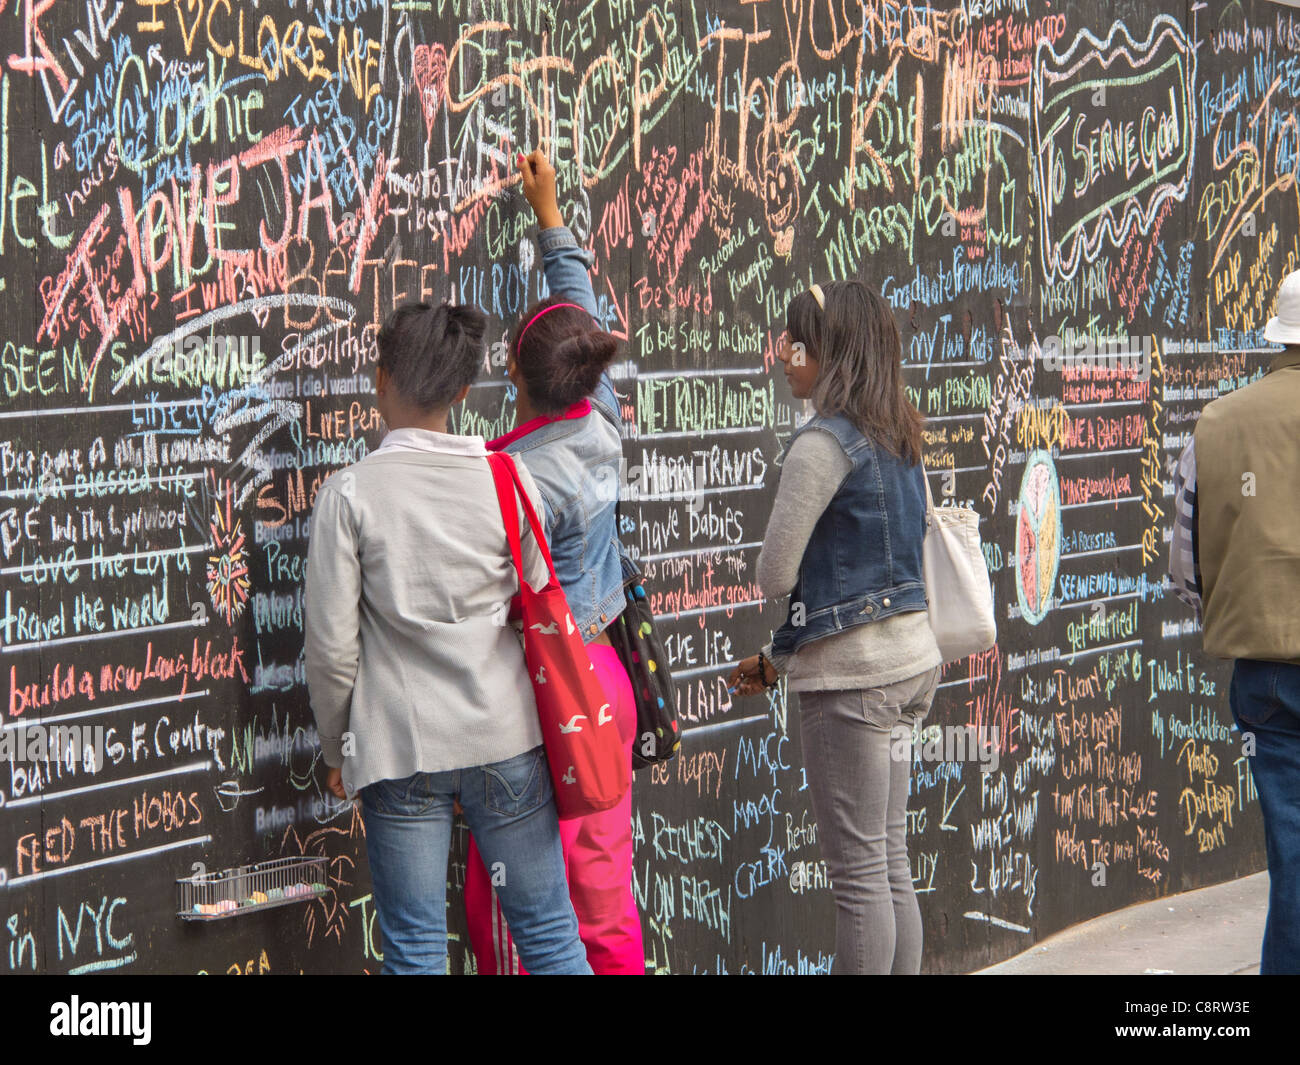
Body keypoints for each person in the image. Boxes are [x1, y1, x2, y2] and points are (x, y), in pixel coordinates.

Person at [304, 300, 591, 975]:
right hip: (507, 733)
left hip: (399, 744)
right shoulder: (506, 477)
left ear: (379, 380)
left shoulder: (350, 495)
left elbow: (331, 648)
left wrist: (337, 743)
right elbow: (539, 597)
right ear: (464, 391)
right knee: (550, 935)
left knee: (414, 949)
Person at [462, 150, 644, 976]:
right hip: (605, 678)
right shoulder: (602, 420)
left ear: (511, 372)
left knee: (517, 903)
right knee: (603, 896)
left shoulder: (514, 476)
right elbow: (578, 307)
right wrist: (551, 215)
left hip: (541, 698)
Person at [728, 279, 943, 975]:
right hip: (911, 666)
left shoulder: (820, 445)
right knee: (889, 861)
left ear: (832, 352)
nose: (785, 354)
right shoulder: (900, 433)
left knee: (856, 878)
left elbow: (775, 573)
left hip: (853, 684)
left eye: (798, 341)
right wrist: (776, 657)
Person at [1168, 268, 1300, 975]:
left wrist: (1238, 611)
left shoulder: (1219, 423)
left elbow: (1185, 568)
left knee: (1294, 862)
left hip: (1267, 677)